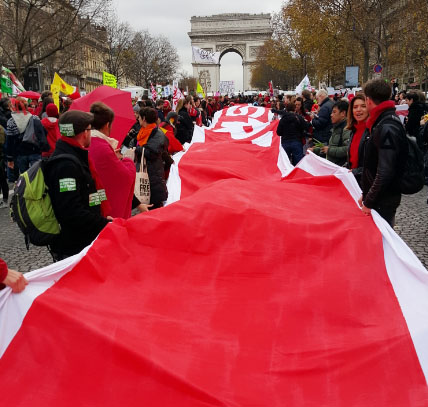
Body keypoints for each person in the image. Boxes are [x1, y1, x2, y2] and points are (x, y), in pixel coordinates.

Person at [45, 110, 112, 260]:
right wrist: (104, 223)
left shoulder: (76, 155)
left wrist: (102, 211)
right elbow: (71, 212)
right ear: (83, 133)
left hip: (83, 238)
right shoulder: (66, 165)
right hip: (73, 246)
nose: (91, 133)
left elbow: (91, 189)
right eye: (90, 129)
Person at [359, 79, 407, 227]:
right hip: (381, 198)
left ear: (368, 100)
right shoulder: (384, 121)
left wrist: (369, 200)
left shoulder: (385, 126)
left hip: (383, 200)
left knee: (382, 243)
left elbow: (385, 170)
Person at [89, 102, 138, 219]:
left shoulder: (87, 141)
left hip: (91, 201)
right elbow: (125, 177)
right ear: (107, 125)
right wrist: (128, 160)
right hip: (103, 206)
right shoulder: (102, 147)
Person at [6, 97, 49, 174]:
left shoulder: (11, 121)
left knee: (24, 176)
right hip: (35, 150)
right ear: (26, 106)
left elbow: (9, 140)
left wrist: (10, 158)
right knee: (36, 174)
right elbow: (42, 133)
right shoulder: (35, 118)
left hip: (20, 152)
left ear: (15, 106)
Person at [137, 107, 168, 209]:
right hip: (144, 174)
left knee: (154, 207)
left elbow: (152, 153)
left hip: (153, 177)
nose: (138, 119)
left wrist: (137, 149)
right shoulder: (142, 131)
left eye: (139, 117)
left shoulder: (157, 133)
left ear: (144, 118)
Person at [311, 100, 351, 166]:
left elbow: (348, 149)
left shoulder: (346, 128)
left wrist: (329, 150)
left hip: (340, 168)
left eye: (334, 112)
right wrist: (315, 150)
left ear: (343, 113)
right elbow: (331, 146)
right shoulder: (337, 127)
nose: (331, 115)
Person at [346, 94, 369, 182]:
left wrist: (356, 171)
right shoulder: (353, 131)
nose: (358, 110)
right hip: (354, 181)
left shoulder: (373, 131)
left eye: (363, 106)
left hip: (366, 183)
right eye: (355, 107)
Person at [0, 124, 8, 208]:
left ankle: (5, 200)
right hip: (2, 156)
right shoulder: (2, 128)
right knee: (2, 180)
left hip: (1, 157)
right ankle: (5, 200)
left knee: (2, 180)